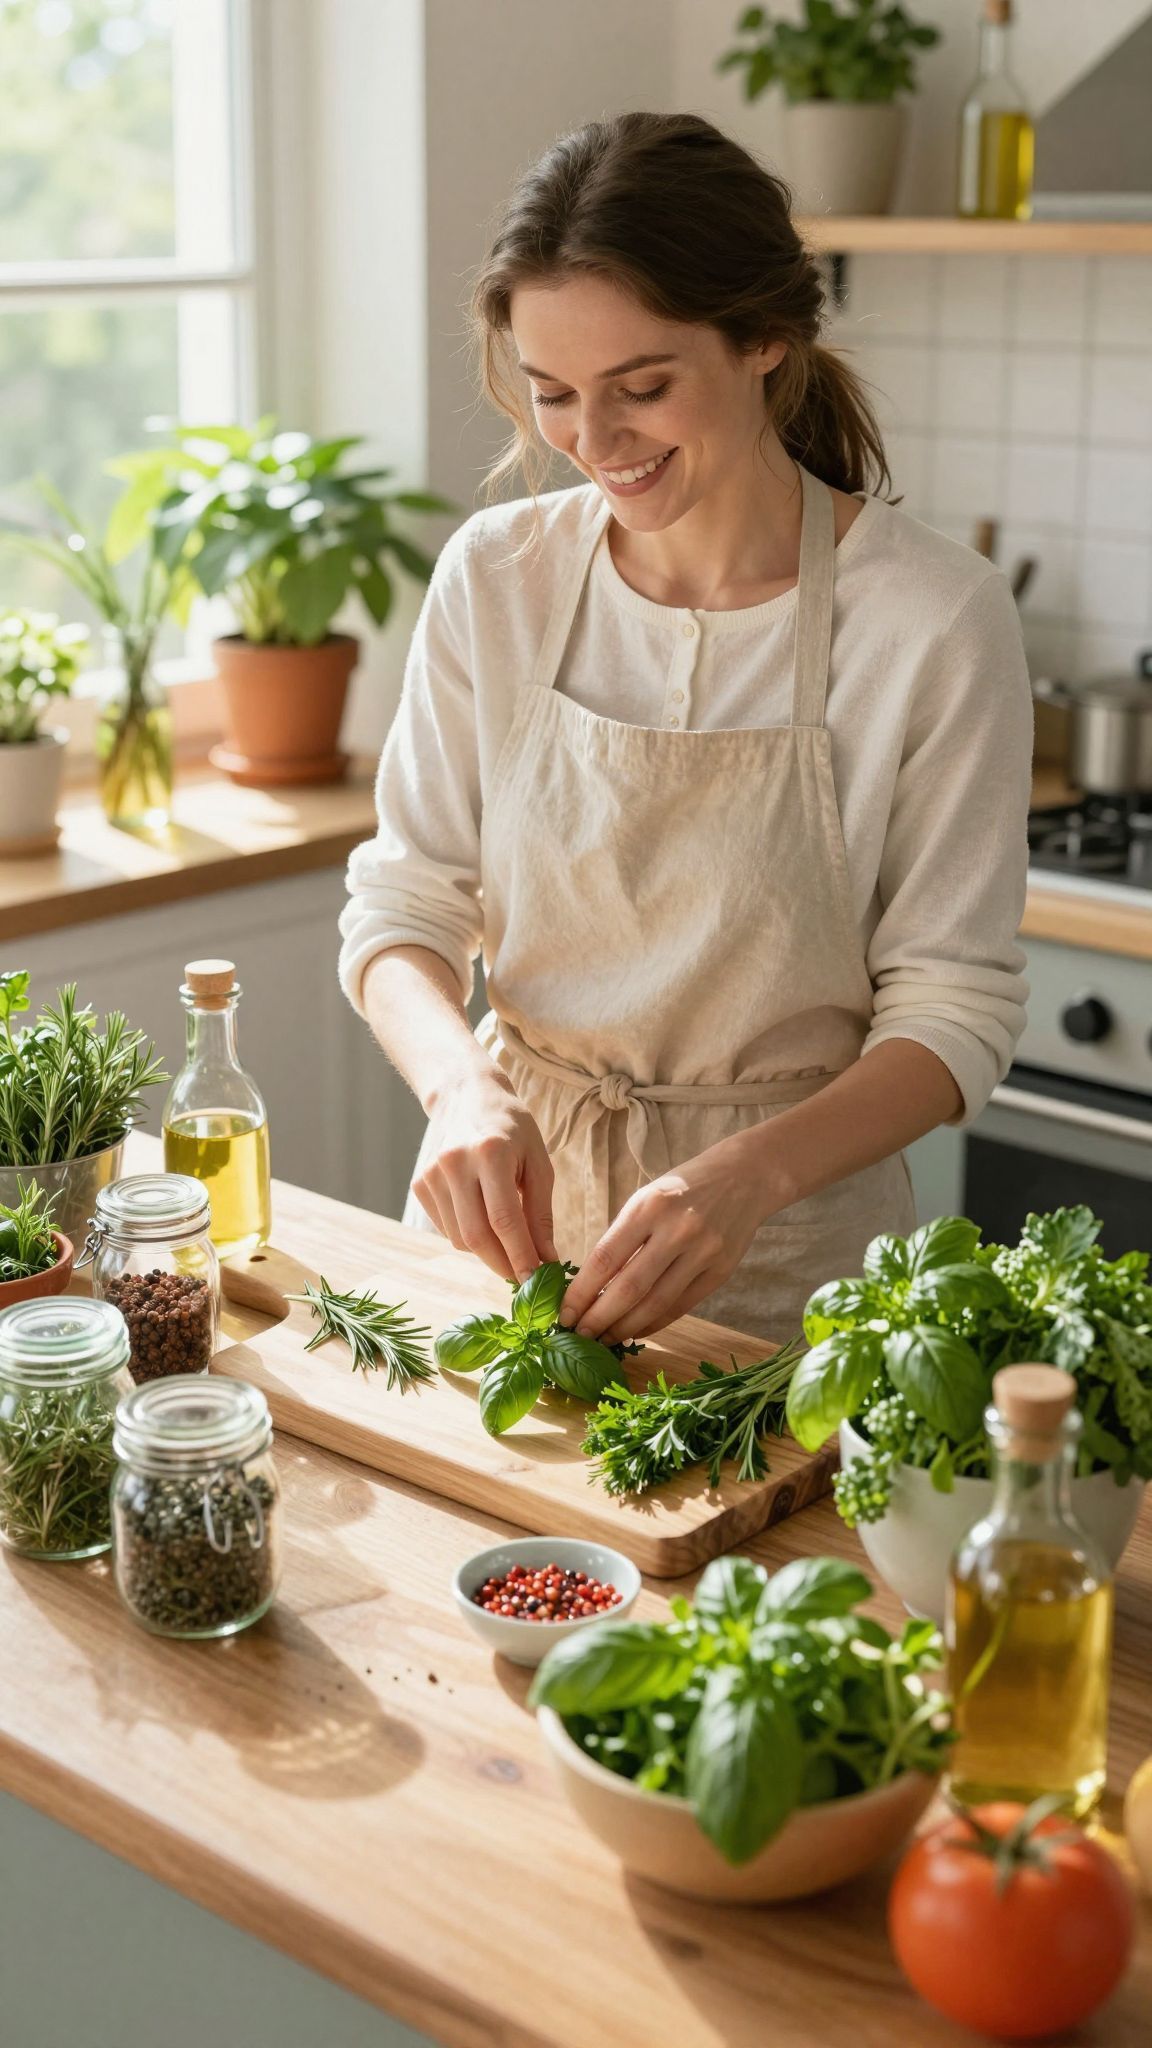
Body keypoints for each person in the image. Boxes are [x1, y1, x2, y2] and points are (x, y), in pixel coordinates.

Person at [338, 111, 1031, 1348]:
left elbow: (953, 1007)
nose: (594, 445)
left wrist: (747, 1177)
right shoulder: (497, 578)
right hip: (505, 1252)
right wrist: (457, 1090)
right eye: (552, 394)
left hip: (793, 1283)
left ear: (765, 336)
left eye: (642, 388)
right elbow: (402, 906)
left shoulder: (932, 618)